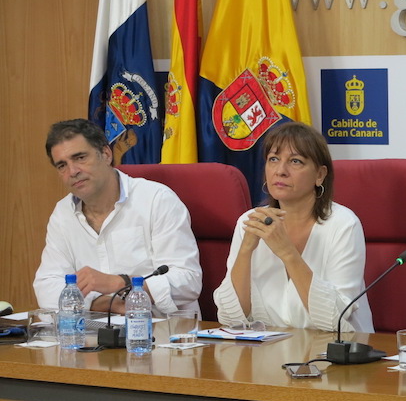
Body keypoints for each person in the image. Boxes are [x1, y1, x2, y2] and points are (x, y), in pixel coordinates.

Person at [213, 122, 373, 332]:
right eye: (273, 159)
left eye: (295, 161)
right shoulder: (249, 222)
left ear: (320, 175)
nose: (280, 171)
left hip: (334, 348)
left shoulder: (343, 225)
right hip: (268, 350)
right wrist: (246, 250)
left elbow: (336, 320)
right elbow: (229, 318)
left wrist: (288, 253)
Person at [34, 119, 202, 316]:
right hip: (94, 328)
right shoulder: (63, 212)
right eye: (62, 165)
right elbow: (46, 286)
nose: (73, 171)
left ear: (106, 154)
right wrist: (104, 304)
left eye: (80, 158)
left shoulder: (157, 199)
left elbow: (188, 281)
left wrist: (121, 283)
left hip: (164, 328)